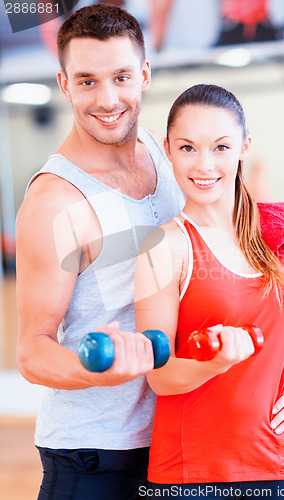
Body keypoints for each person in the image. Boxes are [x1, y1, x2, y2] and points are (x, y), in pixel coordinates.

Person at [134, 84, 284, 499]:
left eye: (220, 146)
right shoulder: (164, 246)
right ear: (168, 150)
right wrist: (214, 363)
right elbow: (159, 376)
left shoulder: (279, 226)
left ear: (243, 147)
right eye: (187, 147)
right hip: (190, 477)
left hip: (278, 466)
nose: (204, 164)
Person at [15, 4, 184, 500]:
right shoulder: (56, 202)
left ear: (145, 76)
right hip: (95, 456)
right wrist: (96, 369)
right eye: (87, 81)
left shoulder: (163, 153)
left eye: (121, 77)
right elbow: (32, 350)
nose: (107, 98)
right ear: (65, 85)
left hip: (174, 439)